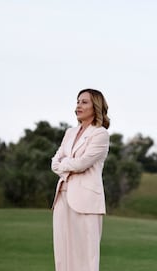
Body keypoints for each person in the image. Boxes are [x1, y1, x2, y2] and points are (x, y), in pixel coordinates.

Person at [51, 89, 110, 271]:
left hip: (86, 201)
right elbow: (54, 162)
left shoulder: (100, 134)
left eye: (84, 102)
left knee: (86, 256)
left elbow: (82, 164)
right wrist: (68, 163)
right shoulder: (69, 132)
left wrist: (65, 163)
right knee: (62, 254)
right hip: (62, 197)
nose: (78, 105)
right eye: (78, 101)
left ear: (96, 106)